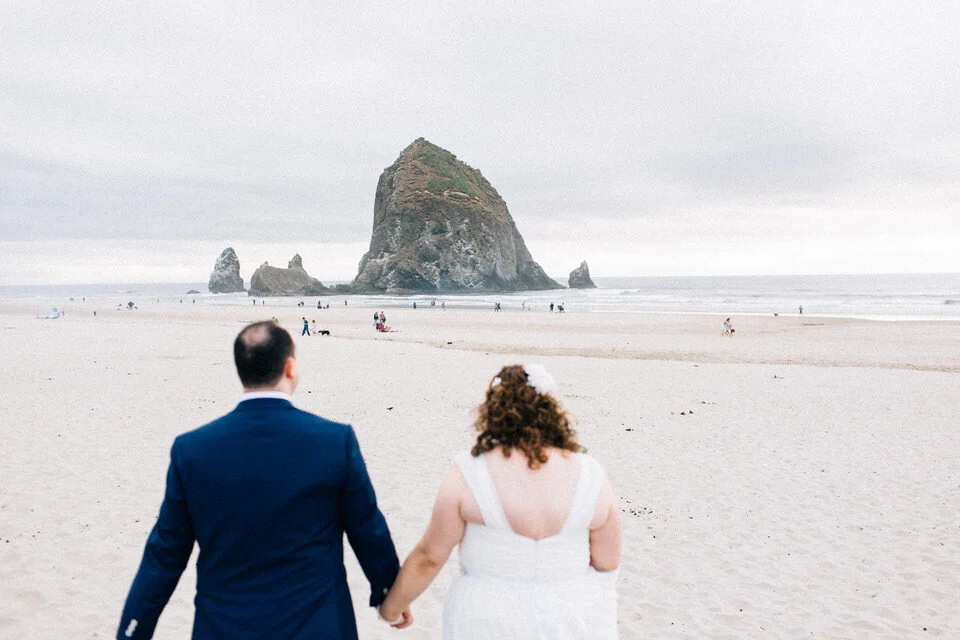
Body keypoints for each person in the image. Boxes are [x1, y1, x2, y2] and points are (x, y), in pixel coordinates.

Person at [116, 321, 407, 639]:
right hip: (317, 625)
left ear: (241, 371)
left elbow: (165, 554)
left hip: (224, 628)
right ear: (291, 368)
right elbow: (367, 529)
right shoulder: (334, 441)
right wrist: (390, 591)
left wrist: (133, 630)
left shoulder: (193, 450)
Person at [379, 364, 620, 638]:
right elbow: (607, 561)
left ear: (492, 412)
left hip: (486, 621)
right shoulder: (592, 475)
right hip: (570, 620)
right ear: (551, 412)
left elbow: (430, 557)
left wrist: (392, 607)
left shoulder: (469, 473)